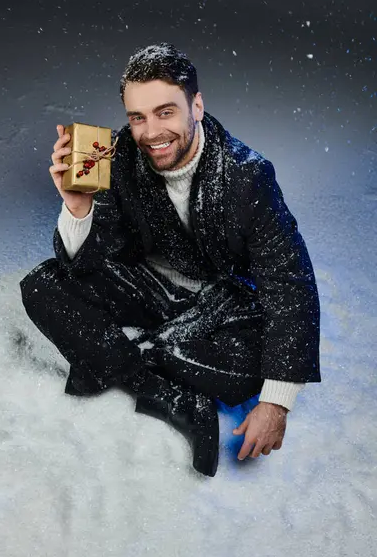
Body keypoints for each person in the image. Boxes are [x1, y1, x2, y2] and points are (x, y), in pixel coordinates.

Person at [19, 42, 321, 478]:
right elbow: (96, 260)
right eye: (137, 117)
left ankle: (115, 357)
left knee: (251, 373)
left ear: (196, 105)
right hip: (151, 288)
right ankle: (168, 393)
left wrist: (275, 404)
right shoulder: (118, 154)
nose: (151, 132)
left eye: (165, 112)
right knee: (42, 285)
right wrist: (78, 207)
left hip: (221, 304)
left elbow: (290, 283)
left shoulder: (248, 175)